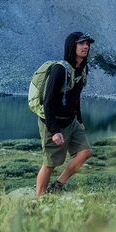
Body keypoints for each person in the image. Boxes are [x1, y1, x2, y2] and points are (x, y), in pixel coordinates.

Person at [36, 32, 95, 195]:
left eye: (87, 44)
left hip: (71, 121)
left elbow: (76, 97)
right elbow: (48, 102)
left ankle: (57, 186)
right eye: (81, 44)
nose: (86, 47)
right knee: (50, 163)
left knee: (86, 151)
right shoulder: (59, 70)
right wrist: (54, 130)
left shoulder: (83, 69)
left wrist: (80, 119)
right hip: (53, 121)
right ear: (72, 46)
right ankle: (39, 200)